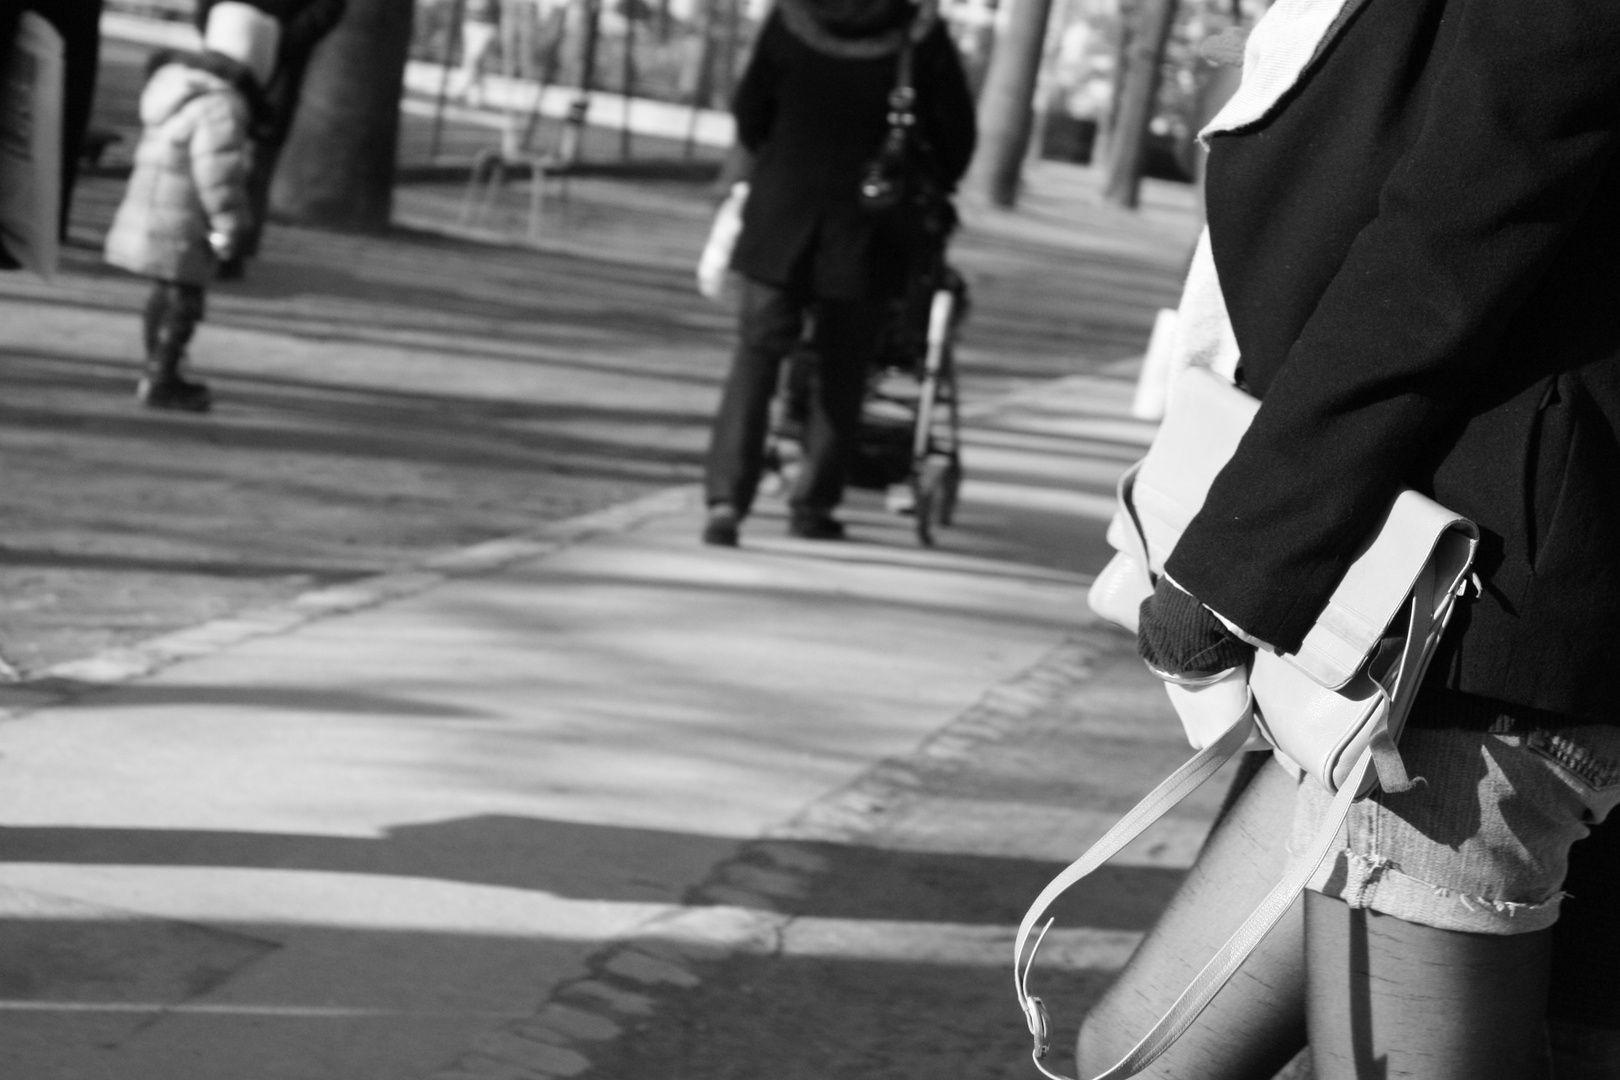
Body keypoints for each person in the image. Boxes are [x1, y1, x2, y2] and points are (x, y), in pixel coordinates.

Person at [1070, 0, 1620, 1076]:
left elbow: (1458, 227)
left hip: (1469, 634)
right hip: (1423, 636)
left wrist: (1238, 566)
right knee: (1131, 1058)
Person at [699, 0, 975, 547]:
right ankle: (813, 503)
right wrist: (922, 180)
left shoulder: (792, 16)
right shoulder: (918, 31)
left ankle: (728, 499)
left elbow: (751, 108)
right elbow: (956, 133)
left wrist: (779, 153)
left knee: (756, 354)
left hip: (781, 211)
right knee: (843, 365)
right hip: (868, 223)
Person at [103, 2, 277, 412]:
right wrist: (229, 225)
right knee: (185, 299)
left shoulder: (177, 86)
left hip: (150, 209)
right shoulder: (223, 104)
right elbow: (218, 176)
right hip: (183, 218)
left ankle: (156, 365)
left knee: (164, 294)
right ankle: (162, 377)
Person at [193, 0, 347, 279]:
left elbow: (328, 8)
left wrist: (279, 39)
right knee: (207, 148)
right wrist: (216, 23)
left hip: (279, 64)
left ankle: (232, 251)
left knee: (254, 164)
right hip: (225, 47)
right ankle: (198, 240)